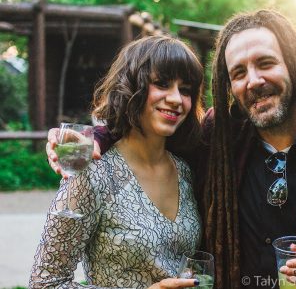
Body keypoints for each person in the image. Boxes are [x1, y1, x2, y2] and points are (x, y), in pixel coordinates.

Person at [47, 10, 296, 289]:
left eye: (265, 63)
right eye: (239, 72)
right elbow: (148, 126)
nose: (254, 81)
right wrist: (95, 137)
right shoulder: (215, 141)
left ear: (295, 64)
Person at [30, 35, 205, 289]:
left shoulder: (185, 170)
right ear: (132, 87)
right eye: (162, 83)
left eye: (185, 90)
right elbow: (45, 283)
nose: (176, 99)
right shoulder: (92, 171)